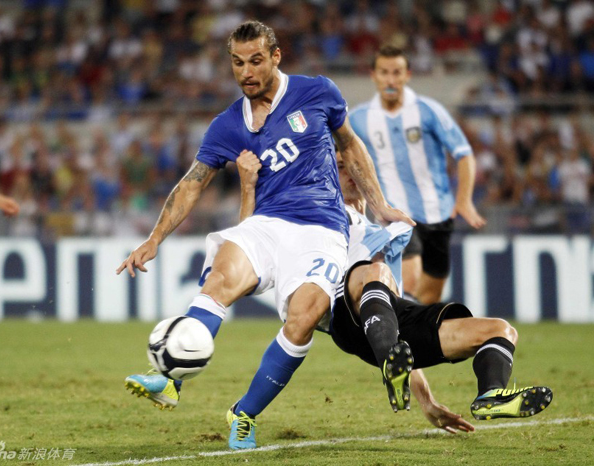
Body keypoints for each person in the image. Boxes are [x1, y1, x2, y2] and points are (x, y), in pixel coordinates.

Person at [119, 21, 412, 451]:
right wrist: (154, 238)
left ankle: (244, 414)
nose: (246, 72)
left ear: (276, 57)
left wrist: (381, 205)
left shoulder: (317, 92)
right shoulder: (225, 125)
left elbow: (349, 146)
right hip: (266, 224)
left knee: (305, 315)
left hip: (321, 229)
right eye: (238, 63)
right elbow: (192, 183)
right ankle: (170, 381)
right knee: (220, 279)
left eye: (256, 60)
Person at [241, 147, 553, 426]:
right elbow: (252, 240)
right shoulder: (317, 212)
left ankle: (491, 395)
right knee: (374, 273)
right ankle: (388, 354)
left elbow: (400, 345)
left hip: (386, 320)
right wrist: (248, 186)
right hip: (344, 314)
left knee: (500, 330)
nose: (349, 172)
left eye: (354, 165)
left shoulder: (384, 231)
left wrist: (427, 402)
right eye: (340, 166)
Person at [349, 45, 486, 304]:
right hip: (395, 216)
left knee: (431, 295)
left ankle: (413, 340)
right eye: (384, 72)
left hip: (438, 214)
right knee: (408, 281)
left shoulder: (428, 110)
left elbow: (464, 153)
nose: (391, 79)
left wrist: (464, 199)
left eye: (397, 72)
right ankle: (393, 338)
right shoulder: (357, 119)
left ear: (407, 75)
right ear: (373, 75)